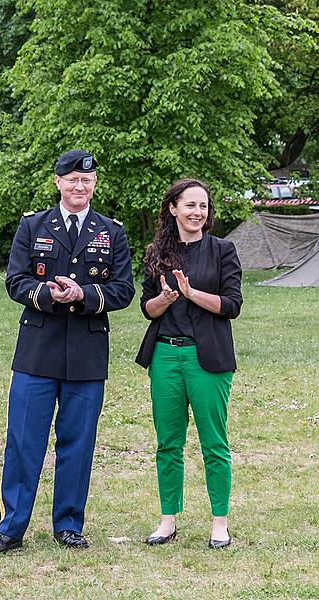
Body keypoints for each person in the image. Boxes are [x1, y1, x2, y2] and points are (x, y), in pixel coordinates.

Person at [0, 150, 135, 554]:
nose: (78, 186)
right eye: (71, 180)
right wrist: (46, 292)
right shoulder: (33, 226)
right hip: (38, 350)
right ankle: (11, 527)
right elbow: (15, 281)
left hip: (86, 351)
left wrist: (84, 293)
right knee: (23, 441)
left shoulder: (111, 232)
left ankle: (69, 524)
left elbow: (123, 290)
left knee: (78, 442)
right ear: (58, 183)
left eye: (86, 180)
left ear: (94, 183)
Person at [134, 178, 242, 549]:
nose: (198, 212)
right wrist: (166, 298)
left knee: (214, 443)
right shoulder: (157, 252)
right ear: (173, 209)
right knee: (168, 443)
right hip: (165, 355)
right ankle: (168, 520)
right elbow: (148, 309)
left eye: (203, 206)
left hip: (207, 359)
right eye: (190, 205)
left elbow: (232, 305)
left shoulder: (222, 250)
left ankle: (219, 522)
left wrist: (192, 293)